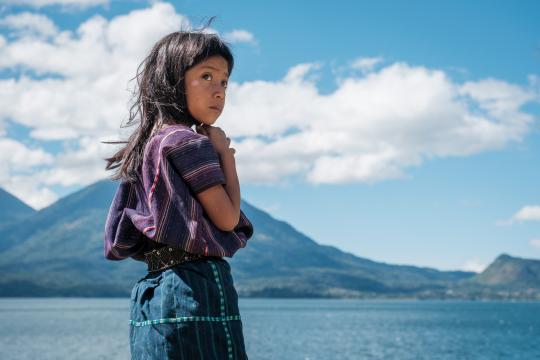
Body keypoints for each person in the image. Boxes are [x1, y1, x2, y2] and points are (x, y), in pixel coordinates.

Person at [102, 24, 254, 360]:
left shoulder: (146, 147)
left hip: (153, 289)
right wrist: (225, 156)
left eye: (225, 81)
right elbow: (227, 219)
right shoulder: (188, 142)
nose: (219, 91)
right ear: (173, 81)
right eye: (206, 77)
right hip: (195, 285)